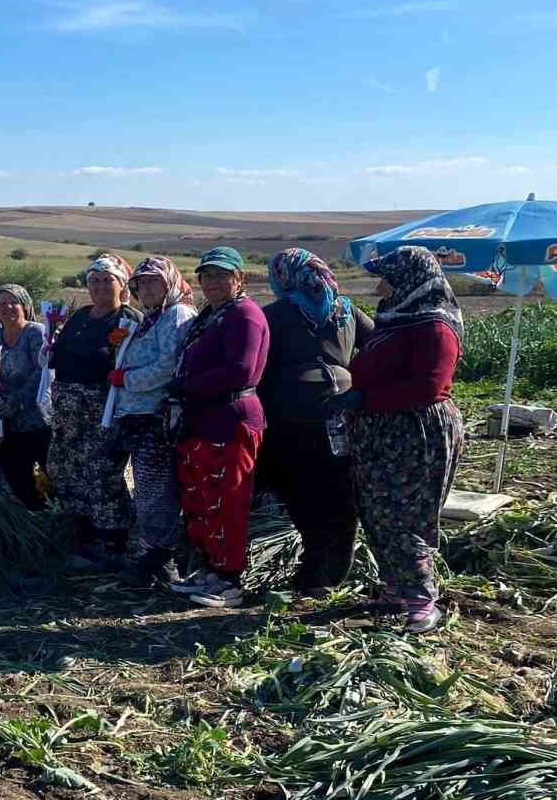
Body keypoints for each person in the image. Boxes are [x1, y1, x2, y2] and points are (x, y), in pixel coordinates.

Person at [327, 246, 464, 634]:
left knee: (406, 514)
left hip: (415, 433)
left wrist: (365, 399)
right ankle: (396, 589)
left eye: (387, 276)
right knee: (377, 511)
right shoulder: (396, 320)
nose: (380, 285)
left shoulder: (435, 325)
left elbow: (431, 386)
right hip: (380, 431)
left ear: (408, 279)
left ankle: (422, 599)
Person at [256, 248, 375, 597]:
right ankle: (333, 568)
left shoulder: (275, 314)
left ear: (282, 277)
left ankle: (314, 569)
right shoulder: (347, 309)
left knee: (299, 490)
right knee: (339, 490)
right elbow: (378, 345)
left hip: (289, 413)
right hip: (342, 410)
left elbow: (254, 361)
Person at [167, 247, 270, 609]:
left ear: (238, 278)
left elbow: (243, 370)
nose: (212, 282)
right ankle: (210, 569)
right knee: (201, 498)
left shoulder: (244, 315)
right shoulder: (212, 315)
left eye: (220, 275)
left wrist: (187, 384)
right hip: (202, 419)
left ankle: (230, 579)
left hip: (230, 418)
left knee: (228, 499)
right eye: (206, 276)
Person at [107, 257, 197, 586]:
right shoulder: (150, 318)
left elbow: (168, 366)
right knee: (148, 488)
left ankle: (161, 556)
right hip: (136, 416)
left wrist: (125, 380)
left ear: (169, 282)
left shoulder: (177, 315)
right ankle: (155, 552)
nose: (146, 288)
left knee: (157, 490)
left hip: (157, 417)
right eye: (141, 283)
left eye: (153, 282)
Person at [47, 255, 141, 564]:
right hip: (66, 412)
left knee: (101, 473)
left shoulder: (128, 320)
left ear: (122, 284)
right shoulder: (81, 316)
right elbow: (57, 354)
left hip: (102, 411)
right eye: (94, 281)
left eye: (107, 280)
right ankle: (84, 538)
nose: (100, 286)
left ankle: (114, 543)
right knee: (65, 470)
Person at [0, 284, 52, 511]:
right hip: (6, 424)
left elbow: (43, 371)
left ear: (25, 306)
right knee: (17, 479)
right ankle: (33, 522)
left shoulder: (36, 333)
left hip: (38, 420)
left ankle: (63, 523)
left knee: (52, 473)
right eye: (2, 304)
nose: (8, 307)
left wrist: (16, 401)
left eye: (14, 302)